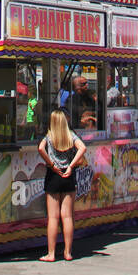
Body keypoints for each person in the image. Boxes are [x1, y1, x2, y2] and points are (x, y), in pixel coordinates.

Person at [37, 109, 87, 261]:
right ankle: (68, 252)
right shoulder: (70, 135)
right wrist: (71, 165)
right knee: (67, 216)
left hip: (53, 175)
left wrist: (51, 164)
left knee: (53, 217)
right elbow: (83, 147)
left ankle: (51, 253)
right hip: (68, 175)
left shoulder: (49, 136)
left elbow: (40, 148)